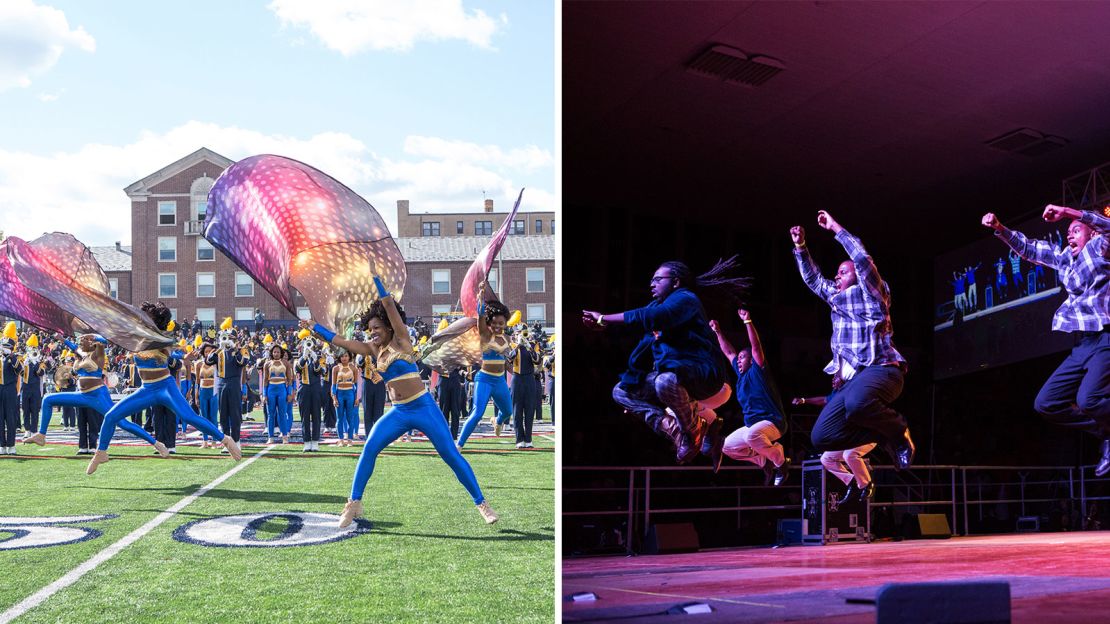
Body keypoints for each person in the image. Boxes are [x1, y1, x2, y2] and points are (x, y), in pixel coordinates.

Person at [302, 275, 498, 526]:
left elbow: (390, 307)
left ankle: (482, 503)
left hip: (423, 407)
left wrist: (376, 279)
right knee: (369, 448)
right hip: (399, 411)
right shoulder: (371, 350)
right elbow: (340, 341)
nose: (372, 332)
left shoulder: (402, 339)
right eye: (370, 329)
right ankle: (353, 504)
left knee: (450, 454)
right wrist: (314, 328)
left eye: (377, 328)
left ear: (388, 327)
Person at [983, 205, 1110, 476]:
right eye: (1068, 233)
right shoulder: (1065, 258)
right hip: (1083, 344)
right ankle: (1106, 432)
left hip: (1106, 337)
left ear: (1091, 233)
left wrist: (1069, 212)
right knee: (1047, 403)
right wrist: (1000, 229)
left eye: (1077, 231)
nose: (1071, 236)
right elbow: (1030, 249)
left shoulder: (1100, 248)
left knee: (1089, 399)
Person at [583, 258, 746, 464]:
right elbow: (643, 337)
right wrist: (608, 329)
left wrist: (603, 318)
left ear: (676, 282)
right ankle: (677, 431)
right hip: (679, 377)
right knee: (621, 391)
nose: (652, 284)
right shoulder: (656, 307)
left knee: (665, 381)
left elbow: (652, 316)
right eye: (651, 280)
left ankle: (696, 427)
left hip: (707, 378)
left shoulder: (686, 299)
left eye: (658, 279)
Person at [791, 211, 914, 469]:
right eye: (837, 273)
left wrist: (835, 227)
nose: (837, 276)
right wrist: (801, 247)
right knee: (821, 436)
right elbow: (813, 280)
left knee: (857, 404)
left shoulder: (872, 296)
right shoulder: (836, 298)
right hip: (854, 380)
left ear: (857, 277)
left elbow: (861, 259)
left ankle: (899, 431)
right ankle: (885, 436)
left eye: (843, 273)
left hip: (882, 371)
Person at [87, 303, 241, 473]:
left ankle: (225, 440)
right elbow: (113, 336)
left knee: (188, 416)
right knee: (110, 416)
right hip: (146, 389)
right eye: (141, 316)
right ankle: (101, 452)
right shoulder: (136, 336)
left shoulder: (163, 339)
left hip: (165, 387)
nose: (141, 319)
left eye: (146, 316)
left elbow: (163, 349)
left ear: (156, 320)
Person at [25, 334, 164, 457]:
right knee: (48, 399)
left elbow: (105, 340)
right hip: (83, 395)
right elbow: (74, 347)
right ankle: (41, 435)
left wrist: (92, 336)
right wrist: (62, 340)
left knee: (122, 423)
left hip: (98, 396)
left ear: (91, 342)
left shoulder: (99, 354)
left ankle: (156, 443)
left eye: (83, 340)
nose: (79, 342)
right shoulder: (83, 354)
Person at [710, 308, 790, 485]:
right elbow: (728, 352)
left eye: (742, 357)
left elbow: (756, 346)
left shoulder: (758, 370)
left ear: (752, 360)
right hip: (753, 427)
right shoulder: (740, 377)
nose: (738, 360)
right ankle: (764, 462)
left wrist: (748, 321)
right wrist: (717, 332)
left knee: (752, 436)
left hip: (773, 423)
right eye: (738, 359)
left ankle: (781, 462)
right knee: (727, 447)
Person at [793, 374, 877, 503]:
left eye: (836, 377)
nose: (833, 380)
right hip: (849, 438)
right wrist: (804, 400)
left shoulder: (853, 392)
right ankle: (852, 482)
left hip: (867, 436)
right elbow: (824, 400)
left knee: (850, 455)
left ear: (845, 379)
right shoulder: (837, 394)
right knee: (826, 458)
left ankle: (866, 484)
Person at [456, 286, 515, 448]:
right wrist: (481, 297)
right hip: (484, 379)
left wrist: (514, 366)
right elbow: (480, 315)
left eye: (501, 323)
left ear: (505, 323)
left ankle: (497, 421)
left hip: (499, 381)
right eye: (494, 322)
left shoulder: (508, 339)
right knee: (477, 413)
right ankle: (459, 445)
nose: (497, 325)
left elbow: (508, 362)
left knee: (508, 412)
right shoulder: (485, 334)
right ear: (490, 322)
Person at [206, 324, 247, 444]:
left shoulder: (241, 351)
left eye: (230, 338)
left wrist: (235, 349)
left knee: (235, 414)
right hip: (221, 384)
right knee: (223, 414)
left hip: (234, 383)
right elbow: (208, 361)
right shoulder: (218, 352)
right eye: (226, 337)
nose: (228, 340)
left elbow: (242, 362)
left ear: (235, 339)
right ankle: (227, 441)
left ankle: (236, 440)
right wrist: (220, 347)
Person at [296, 337, 326, 451]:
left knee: (316, 416)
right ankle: (307, 441)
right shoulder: (299, 359)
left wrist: (315, 360)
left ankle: (315, 441)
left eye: (310, 344)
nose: (308, 347)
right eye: (306, 344)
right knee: (305, 417)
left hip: (316, 389)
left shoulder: (317, 359)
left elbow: (320, 372)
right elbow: (297, 369)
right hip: (304, 389)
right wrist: (304, 357)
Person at [510, 330, 539, 449]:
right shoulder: (512, 345)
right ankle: (519, 439)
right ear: (516, 335)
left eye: (523, 333)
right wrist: (518, 345)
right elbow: (509, 358)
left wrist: (529, 347)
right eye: (519, 333)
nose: (522, 335)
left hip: (529, 379)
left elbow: (537, 360)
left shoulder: (533, 345)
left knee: (529, 409)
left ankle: (528, 439)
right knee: (517, 410)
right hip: (517, 378)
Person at [261, 344, 292, 444]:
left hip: (282, 390)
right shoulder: (267, 364)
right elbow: (265, 380)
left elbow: (290, 380)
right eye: (274, 352)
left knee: (282, 414)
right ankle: (270, 437)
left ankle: (284, 436)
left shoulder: (286, 363)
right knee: (271, 414)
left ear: (281, 353)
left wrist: (289, 393)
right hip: (270, 390)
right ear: (271, 353)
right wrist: (264, 394)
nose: (276, 354)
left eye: (278, 352)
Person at [192, 342, 220, 449]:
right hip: (203, 391)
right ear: (203, 352)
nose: (208, 353)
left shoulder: (216, 364)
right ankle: (204, 441)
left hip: (213, 391)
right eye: (206, 351)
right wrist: (196, 395)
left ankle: (214, 441)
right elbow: (197, 382)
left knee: (213, 417)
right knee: (204, 417)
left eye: (210, 351)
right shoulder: (199, 364)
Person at [18, 337, 47, 440]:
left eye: (34, 348)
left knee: (35, 410)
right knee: (26, 410)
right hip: (25, 388)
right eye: (30, 347)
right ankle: (27, 430)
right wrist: (26, 363)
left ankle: (34, 430)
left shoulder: (40, 361)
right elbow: (20, 373)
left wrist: (35, 363)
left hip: (35, 389)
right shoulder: (22, 360)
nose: (32, 350)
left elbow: (41, 373)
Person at [331, 350, 360, 446]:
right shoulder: (335, 368)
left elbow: (356, 385)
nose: (344, 358)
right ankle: (341, 439)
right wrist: (334, 398)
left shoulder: (354, 368)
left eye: (346, 356)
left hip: (350, 394)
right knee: (339, 418)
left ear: (349, 357)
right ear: (339, 357)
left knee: (350, 417)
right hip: (339, 394)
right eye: (342, 356)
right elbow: (333, 385)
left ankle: (350, 439)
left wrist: (356, 398)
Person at [0, 332, 21, 455]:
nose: (4, 349)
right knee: (0, 418)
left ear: (11, 349)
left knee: (11, 418)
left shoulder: (14, 359)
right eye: (3, 346)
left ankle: (11, 445)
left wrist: (12, 356)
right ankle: (2, 445)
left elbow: (21, 370)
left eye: (7, 347)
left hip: (10, 389)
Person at [358, 350, 386, 436]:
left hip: (380, 382)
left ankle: (378, 435)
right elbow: (359, 364)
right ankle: (369, 436)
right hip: (367, 382)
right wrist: (364, 354)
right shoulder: (364, 353)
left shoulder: (384, 352)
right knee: (367, 412)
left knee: (379, 412)